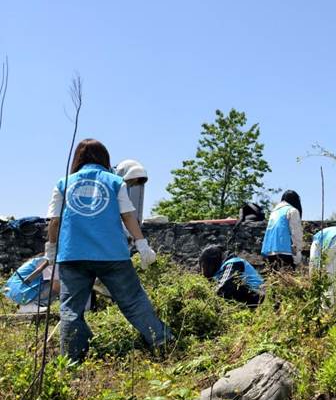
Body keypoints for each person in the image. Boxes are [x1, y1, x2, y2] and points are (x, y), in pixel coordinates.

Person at [45, 138, 170, 362]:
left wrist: (51, 249)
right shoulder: (114, 182)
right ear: (104, 159)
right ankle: (163, 343)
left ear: (78, 159)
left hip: (73, 254)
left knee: (71, 310)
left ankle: (72, 361)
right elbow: (128, 216)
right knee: (132, 301)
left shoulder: (63, 183)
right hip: (111, 254)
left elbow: (54, 221)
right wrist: (142, 245)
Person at [199, 245, 263, 307]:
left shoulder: (232, 263)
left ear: (211, 262)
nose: (203, 272)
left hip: (258, 296)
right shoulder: (221, 271)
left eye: (204, 266)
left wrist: (207, 297)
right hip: (251, 299)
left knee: (225, 288)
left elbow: (225, 284)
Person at [261, 190, 303, 269]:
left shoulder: (274, 212)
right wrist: (298, 252)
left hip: (270, 252)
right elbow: (295, 233)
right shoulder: (292, 211)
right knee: (288, 279)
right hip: (286, 252)